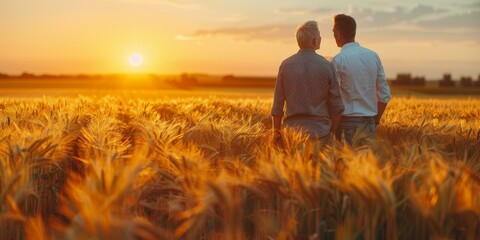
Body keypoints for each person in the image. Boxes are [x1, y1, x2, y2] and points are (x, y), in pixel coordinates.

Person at [271, 21, 344, 145]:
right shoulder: (327, 66)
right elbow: (337, 107)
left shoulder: (285, 65)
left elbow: (277, 106)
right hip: (321, 133)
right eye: (319, 36)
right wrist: (331, 133)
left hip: (292, 134)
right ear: (315, 40)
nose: (320, 38)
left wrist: (276, 134)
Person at [331, 14, 391, 145]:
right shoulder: (373, 56)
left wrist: (332, 131)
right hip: (369, 124)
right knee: (366, 164)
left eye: (334, 32)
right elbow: (385, 95)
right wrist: (375, 121)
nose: (333, 36)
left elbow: (335, 100)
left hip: (347, 124)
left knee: (347, 164)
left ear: (338, 34)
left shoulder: (338, 60)